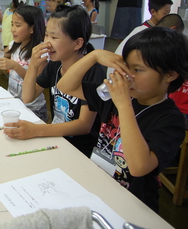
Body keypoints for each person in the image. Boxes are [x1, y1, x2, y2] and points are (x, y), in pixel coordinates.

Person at [57, 27, 188, 212]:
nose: (127, 75)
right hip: (101, 190)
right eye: (126, 66)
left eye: (138, 70)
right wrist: (93, 56)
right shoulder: (114, 96)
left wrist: (123, 103)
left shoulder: (170, 119)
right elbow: (65, 85)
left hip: (134, 204)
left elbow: (139, 167)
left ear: (170, 75)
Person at [8, 5, 105, 157]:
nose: (47, 42)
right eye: (46, 35)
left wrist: (37, 130)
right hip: (58, 140)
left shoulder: (93, 71)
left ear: (78, 43)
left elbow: (84, 125)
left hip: (82, 151)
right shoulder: (55, 64)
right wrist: (33, 65)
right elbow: (27, 97)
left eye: (54, 37)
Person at [0, 5, 48, 121]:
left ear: (32, 28)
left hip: (33, 109)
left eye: (18, 25)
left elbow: (37, 83)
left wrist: (16, 67)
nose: (13, 29)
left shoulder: (40, 52)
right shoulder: (14, 45)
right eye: (12, 24)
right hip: (14, 104)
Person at [108, 0, 173, 75]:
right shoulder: (144, 32)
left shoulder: (148, 29)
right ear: (153, 12)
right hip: (119, 74)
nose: (168, 17)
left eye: (169, 13)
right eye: (165, 13)